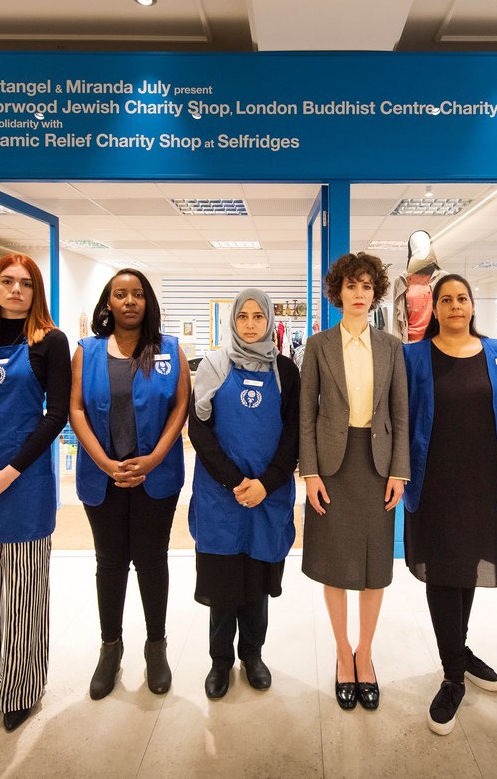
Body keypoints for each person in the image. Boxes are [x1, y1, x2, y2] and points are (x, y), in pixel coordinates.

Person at [70, 268, 190, 700]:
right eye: (120, 294)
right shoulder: (87, 350)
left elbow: (181, 405)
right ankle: (110, 647)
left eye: (137, 294)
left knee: (152, 560)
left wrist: (156, 456)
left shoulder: (169, 350)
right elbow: (77, 409)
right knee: (110, 562)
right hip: (103, 477)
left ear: (148, 302)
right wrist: (103, 462)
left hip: (155, 476)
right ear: (108, 304)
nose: (129, 301)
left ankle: (155, 647)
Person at [300, 252, 410, 711]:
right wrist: (309, 472)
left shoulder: (391, 346)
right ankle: (342, 653)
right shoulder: (318, 345)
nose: (360, 294)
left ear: (375, 292)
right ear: (338, 292)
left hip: (378, 464)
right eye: (351, 286)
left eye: (367, 286)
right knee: (335, 562)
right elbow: (305, 413)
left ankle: (366, 653)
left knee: (373, 566)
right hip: (331, 465)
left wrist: (399, 471)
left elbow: (402, 415)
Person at [404, 273, 497, 735]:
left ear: (472, 305)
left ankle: (459, 649)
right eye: (445, 299)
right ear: (434, 308)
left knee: (467, 569)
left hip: (484, 485)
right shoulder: (414, 356)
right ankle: (452, 674)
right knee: (442, 572)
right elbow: (400, 417)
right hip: (434, 484)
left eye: (461, 298)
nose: (454, 306)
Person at [0, 253, 70, 731]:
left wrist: (11, 472)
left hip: (24, 484)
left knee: (25, 595)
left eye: (25, 284)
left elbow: (56, 416)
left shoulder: (50, 342)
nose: (15, 290)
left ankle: (21, 689)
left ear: (36, 292)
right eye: (6, 282)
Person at [188, 289, 300, 699]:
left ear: (270, 321)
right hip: (222, 495)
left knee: (255, 582)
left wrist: (265, 483)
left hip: (267, 496)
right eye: (243, 317)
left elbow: (293, 435)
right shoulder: (213, 367)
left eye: (258, 316)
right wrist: (236, 482)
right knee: (223, 584)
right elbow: (199, 431)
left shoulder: (286, 371)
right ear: (232, 322)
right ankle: (220, 660)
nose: (251, 324)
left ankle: (252, 654)